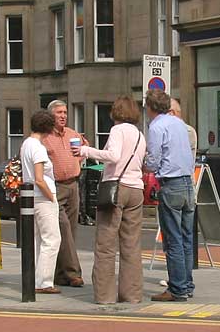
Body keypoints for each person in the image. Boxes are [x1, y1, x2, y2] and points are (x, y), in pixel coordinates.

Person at [73, 97, 146, 304]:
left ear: (116, 112)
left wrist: (85, 151)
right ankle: (132, 294)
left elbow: (113, 156)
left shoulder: (117, 130)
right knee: (131, 245)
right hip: (136, 189)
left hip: (115, 189)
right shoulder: (140, 135)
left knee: (105, 243)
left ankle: (105, 296)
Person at [144, 89, 196, 302]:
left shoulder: (156, 126)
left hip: (171, 184)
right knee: (186, 239)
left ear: (150, 107)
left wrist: (143, 165)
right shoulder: (179, 124)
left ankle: (177, 289)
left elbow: (154, 161)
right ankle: (188, 285)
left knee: (173, 240)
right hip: (187, 183)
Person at [40, 99, 88, 287]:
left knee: (71, 231)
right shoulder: (44, 138)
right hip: (55, 187)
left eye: (65, 112)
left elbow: (84, 147)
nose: (63, 116)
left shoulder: (72, 134)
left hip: (73, 185)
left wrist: (81, 156)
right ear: (50, 115)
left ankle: (60, 274)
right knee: (63, 229)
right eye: (59, 112)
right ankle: (74, 273)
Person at [20, 110, 62, 294]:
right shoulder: (38, 147)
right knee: (52, 239)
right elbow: (39, 178)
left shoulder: (26, 144)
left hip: (31, 199)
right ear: (48, 127)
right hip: (43, 198)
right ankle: (44, 282)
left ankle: (36, 279)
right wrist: (51, 197)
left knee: (37, 240)